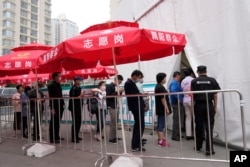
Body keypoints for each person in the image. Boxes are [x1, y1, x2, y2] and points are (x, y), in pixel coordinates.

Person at [191, 65, 220, 156]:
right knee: (209, 127)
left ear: (198, 72)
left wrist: (192, 107)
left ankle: (198, 146)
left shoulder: (194, 81)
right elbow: (215, 95)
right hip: (208, 104)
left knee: (199, 126)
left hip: (198, 105)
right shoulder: (212, 80)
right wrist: (215, 107)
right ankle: (209, 149)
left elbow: (193, 95)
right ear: (206, 71)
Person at [124, 70, 145, 152]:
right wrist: (141, 95)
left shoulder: (131, 83)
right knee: (139, 125)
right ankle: (135, 145)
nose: (139, 79)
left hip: (138, 106)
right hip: (135, 107)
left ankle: (137, 142)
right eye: (139, 77)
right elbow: (132, 96)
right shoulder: (128, 83)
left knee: (139, 125)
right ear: (135, 75)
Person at [154, 73, 171, 147]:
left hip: (160, 108)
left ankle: (160, 139)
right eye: (164, 78)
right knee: (161, 125)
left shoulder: (159, 86)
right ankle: (161, 141)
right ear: (162, 79)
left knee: (160, 124)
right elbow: (163, 99)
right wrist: (166, 108)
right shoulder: (160, 87)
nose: (165, 79)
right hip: (161, 109)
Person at [106, 75, 124, 144]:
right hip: (111, 106)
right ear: (115, 80)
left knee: (116, 122)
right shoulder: (109, 86)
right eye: (119, 82)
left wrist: (120, 92)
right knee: (113, 123)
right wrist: (117, 91)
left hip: (116, 105)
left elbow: (117, 95)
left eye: (120, 82)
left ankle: (114, 136)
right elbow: (108, 96)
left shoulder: (115, 87)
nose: (119, 83)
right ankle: (111, 138)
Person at [48, 72, 65, 144]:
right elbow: (51, 97)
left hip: (60, 105)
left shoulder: (58, 84)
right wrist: (52, 108)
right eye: (58, 76)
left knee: (57, 122)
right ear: (55, 77)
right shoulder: (51, 85)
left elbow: (60, 95)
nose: (60, 78)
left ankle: (57, 136)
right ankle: (52, 138)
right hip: (55, 106)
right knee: (53, 122)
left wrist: (63, 104)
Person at [169, 71, 184, 141]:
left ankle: (176, 134)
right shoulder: (174, 83)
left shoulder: (175, 82)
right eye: (180, 76)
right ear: (177, 75)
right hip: (176, 103)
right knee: (177, 120)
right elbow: (174, 92)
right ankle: (175, 135)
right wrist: (179, 99)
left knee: (177, 119)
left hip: (175, 103)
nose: (180, 77)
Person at [68, 76, 84, 143]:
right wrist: (80, 96)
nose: (80, 81)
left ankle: (76, 135)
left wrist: (82, 95)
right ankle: (73, 138)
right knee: (75, 122)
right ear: (75, 81)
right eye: (79, 80)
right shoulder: (73, 88)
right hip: (74, 107)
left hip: (79, 106)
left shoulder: (79, 88)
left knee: (79, 122)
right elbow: (73, 98)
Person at [181, 68, 195, 140]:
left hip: (185, 99)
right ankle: (196, 134)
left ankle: (188, 134)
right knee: (195, 117)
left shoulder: (183, 81)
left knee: (188, 118)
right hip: (191, 99)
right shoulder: (192, 80)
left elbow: (182, 89)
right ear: (191, 73)